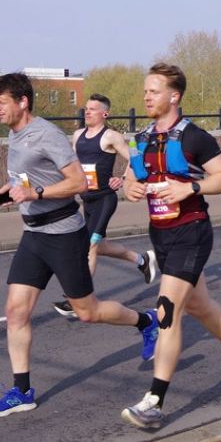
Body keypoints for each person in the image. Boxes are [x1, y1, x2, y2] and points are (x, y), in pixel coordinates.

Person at [0, 73, 159, 418]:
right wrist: (10, 189)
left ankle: (145, 321)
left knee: (87, 312)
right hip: (33, 234)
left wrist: (36, 193)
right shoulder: (15, 135)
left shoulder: (47, 134)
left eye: (1, 102)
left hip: (63, 234)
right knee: (15, 311)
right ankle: (22, 392)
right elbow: (29, 176)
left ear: (22, 102)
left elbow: (78, 182)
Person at [119, 63, 221, 430]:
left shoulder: (195, 137)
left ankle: (154, 402)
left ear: (174, 96)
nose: (146, 97)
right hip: (160, 233)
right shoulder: (141, 138)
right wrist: (129, 188)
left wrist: (190, 188)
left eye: (154, 91)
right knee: (198, 305)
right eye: (145, 91)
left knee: (168, 311)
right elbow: (130, 177)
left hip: (192, 231)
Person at [52, 94, 157, 318]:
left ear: (104, 114)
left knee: (90, 245)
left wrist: (123, 178)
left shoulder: (110, 136)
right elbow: (72, 165)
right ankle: (142, 260)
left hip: (105, 200)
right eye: (86, 108)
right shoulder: (78, 135)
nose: (87, 112)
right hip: (87, 200)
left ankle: (79, 300)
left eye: (92, 109)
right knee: (100, 246)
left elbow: (135, 157)